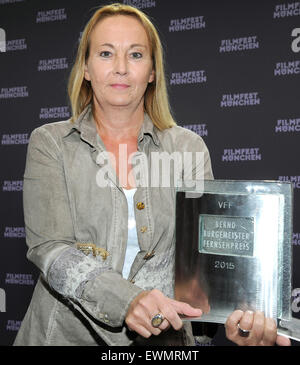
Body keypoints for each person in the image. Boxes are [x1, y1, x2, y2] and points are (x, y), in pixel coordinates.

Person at [14, 3, 290, 346]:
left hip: (162, 344)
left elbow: (202, 264)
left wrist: (237, 317)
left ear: (152, 71)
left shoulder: (188, 148)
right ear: (85, 67)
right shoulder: (50, 142)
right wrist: (127, 300)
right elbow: (50, 248)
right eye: (105, 53)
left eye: (135, 54)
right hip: (62, 337)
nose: (120, 68)